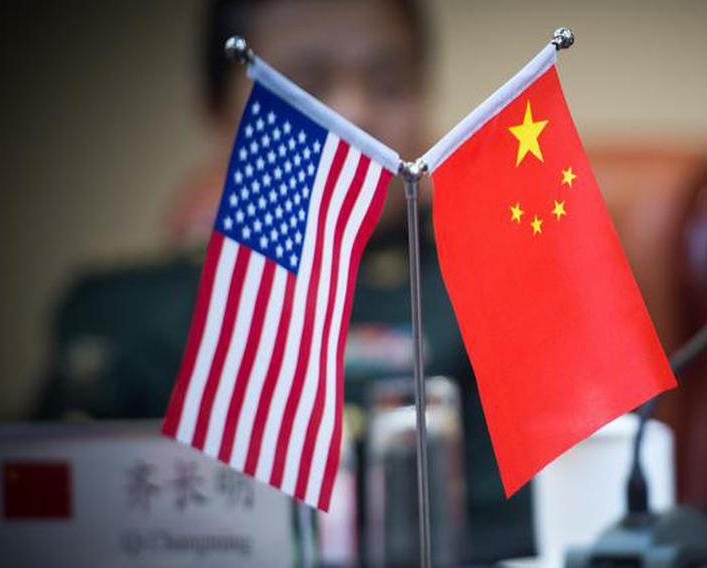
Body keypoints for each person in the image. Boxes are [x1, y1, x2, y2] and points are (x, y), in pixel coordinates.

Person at [36, 0, 534, 562]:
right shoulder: (122, 309)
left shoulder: (486, 292)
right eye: (303, 84)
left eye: (390, 84)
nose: (353, 111)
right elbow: (41, 520)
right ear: (217, 109)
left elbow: (524, 528)